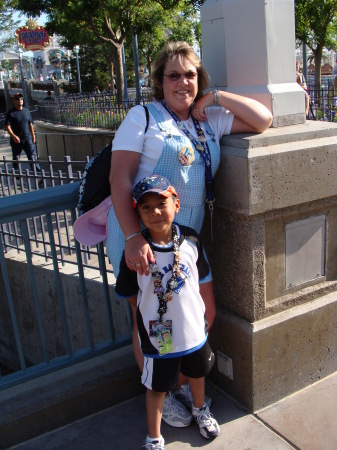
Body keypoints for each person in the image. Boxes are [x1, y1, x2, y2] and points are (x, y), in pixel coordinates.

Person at [106, 41, 272, 426]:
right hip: (141, 238)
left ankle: (179, 383)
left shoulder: (207, 119)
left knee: (201, 313)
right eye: (174, 75)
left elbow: (263, 120)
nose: (183, 82)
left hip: (186, 243)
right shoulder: (142, 117)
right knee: (150, 322)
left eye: (191, 75)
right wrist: (133, 238)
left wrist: (217, 96)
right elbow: (120, 178)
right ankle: (162, 393)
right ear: (159, 80)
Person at [115, 174, 220, 449]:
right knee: (157, 386)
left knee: (197, 374)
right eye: (145, 207)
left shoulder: (192, 241)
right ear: (137, 214)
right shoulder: (136, 252)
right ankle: (154, 436)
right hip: (158, 335)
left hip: (193, 329)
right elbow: (130, 294)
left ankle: (200, 409)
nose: (155, 212)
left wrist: (203, 319)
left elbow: (201, 279)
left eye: (162, 202)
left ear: (177, 203)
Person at [5, 92, 42, 178]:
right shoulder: (11, 113)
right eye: (17, 99)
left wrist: (33, 136)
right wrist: (13, 136)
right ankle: (17, 177)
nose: (20, 100)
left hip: (27, 138)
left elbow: (30, 124)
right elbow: (7, 126)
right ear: (14, 101)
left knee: (32, 157)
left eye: (21, 99)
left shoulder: (26, 111)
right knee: (16, 159)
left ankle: (39, 175)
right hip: (16, 140)